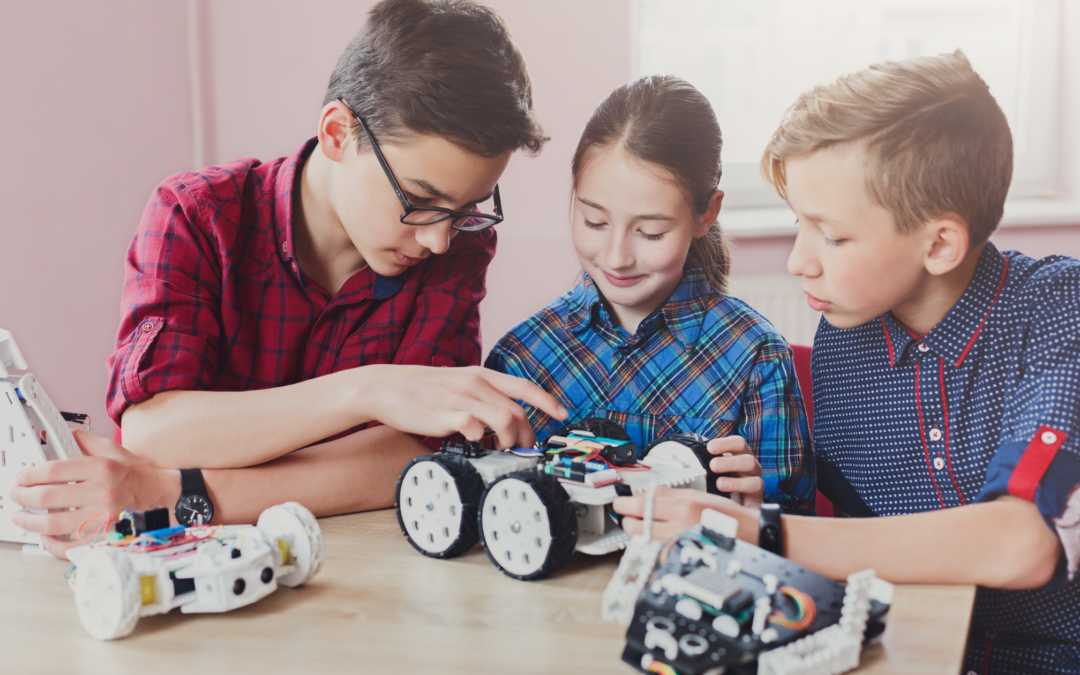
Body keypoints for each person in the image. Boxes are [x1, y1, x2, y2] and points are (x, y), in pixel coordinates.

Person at [9, 0, 567, 558]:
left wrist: (180, 494)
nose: (438, 239)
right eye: (420, 201)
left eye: (466, 207)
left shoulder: (458, 244)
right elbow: (156, 431)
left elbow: (415, 454)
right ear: (337, 133)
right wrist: (368, 390)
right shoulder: (197, 214)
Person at [614, 52, 1080, 674]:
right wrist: (757, 507)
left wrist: (764, 534)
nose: (797, 261)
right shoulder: (843, 343)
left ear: (939, 243)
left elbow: (1026, 542)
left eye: (831, 235)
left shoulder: (1057, 312)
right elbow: (860, 547)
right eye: (797, 223)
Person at [485, 76, 815, 514]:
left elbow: (792, 526)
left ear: (706, 214)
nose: (617, 257)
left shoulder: (755, 355)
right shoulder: (521, 356)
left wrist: (755, 511)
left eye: (650, 231)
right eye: (594, 223)